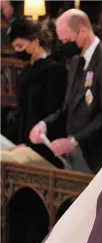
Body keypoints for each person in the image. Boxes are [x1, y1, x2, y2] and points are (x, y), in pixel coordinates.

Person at [29, 9, 102, 174]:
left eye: (67, 39)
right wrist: (44, 124)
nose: (65, 44)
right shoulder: (75, 62)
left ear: (83, 31)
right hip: (75, 155)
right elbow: (68, 107)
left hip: (99, 155)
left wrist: (74, 141)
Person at [4, 18, 66, 168]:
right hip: (22, 146)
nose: (18, 51)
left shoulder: (54, 71)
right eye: (15, 47)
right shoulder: (26, 71)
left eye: (20, 46)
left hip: (42, 148)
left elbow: (55, 113)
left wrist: (30, 145)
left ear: (35, 42)